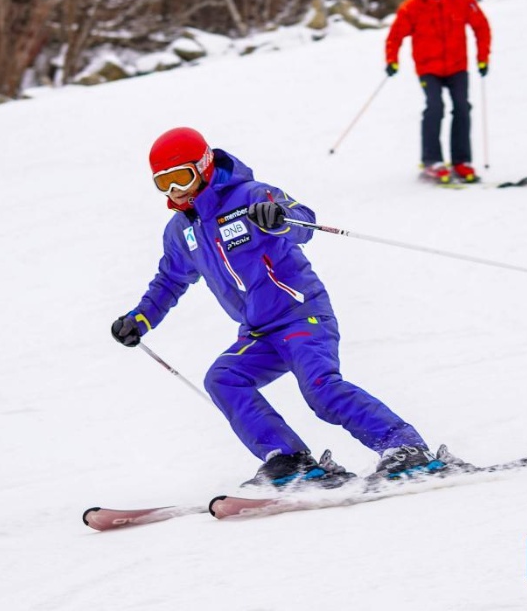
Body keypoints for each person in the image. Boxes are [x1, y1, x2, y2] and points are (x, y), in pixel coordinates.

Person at [111, 126, 445, 488]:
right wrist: (139, 320)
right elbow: (170, 280)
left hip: (302, 315)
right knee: (223, 379)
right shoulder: (181, 232)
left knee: (320, 389)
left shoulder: (251, 196)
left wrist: (276, 216)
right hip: (258, 332)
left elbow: (303, 220)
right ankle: (290, 459)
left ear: (204, 165)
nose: (176, 191)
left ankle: (405, 447)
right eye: (164, 183)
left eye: (181, 177)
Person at [385, 0, 491, 184]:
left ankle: (461, 161)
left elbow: (481, 27)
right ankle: (432, 160)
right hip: (428, 69)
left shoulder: (462, 0)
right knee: (435, 107)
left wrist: (483, 58)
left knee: (462, 108)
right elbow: (395, 35)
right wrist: (392, 60)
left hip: (457, 66)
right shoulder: (412, 7)